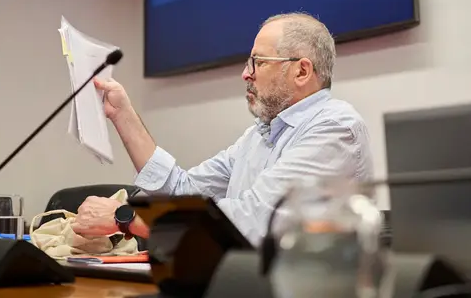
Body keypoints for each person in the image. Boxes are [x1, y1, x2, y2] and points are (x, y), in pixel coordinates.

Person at [72, 12, 373, 246]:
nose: (245, 74)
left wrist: (125, 218)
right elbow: (180, 191)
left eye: (257, 62)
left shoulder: (334, 129)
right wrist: (122, 114)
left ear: (302, 71)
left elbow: (253, 222)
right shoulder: (257, 136)